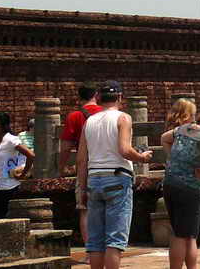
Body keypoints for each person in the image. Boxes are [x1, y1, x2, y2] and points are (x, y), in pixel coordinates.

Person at [77, 80, 155, 269]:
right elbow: (124, 149)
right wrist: (141, 157)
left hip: (94, 179)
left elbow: (81, 159)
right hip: (117, 178)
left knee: (95, 240)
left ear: (98, 98)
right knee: (115, 240)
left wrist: (82, 188)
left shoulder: (89, 121)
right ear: (120, 97)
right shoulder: (123, 118)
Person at [160, 108, 200, 269]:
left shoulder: (183, 128)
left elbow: (164, 138)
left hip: (170, 183)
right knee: (182, 235)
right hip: (189, 188)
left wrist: (173, 159)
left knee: (187, 234)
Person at [60, 81, 103, 243]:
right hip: (108, 165)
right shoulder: (109, 113)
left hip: (85, 166)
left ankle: (90, 250)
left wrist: (61, 167)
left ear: (79, 97)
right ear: (96, 95)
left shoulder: (75, 116)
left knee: (84, 209)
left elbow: (65, 147)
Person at [0, 112, 33, 219]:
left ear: (3, 126)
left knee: (6, 217)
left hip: (9, 185)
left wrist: (23, 174)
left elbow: (30, 155)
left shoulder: (11, 140)